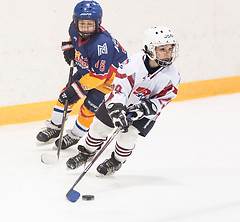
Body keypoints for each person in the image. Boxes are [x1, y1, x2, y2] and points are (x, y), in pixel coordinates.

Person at [66, 26, 181, 176]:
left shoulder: (172, 76)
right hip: (120, 102)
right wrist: (117, 109)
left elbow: (165, 98)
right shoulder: (132, 64)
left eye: (170, 49)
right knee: (98, 128)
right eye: (162, 49)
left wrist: (145, 108)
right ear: (149, 49)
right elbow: (120, 88)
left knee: (128, 137)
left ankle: (116, 161)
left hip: (146, 112)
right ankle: (86, 153)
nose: (168, 54)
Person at [36, 0, 127, 149]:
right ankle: (55, 127)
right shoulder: (73, 28)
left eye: (90, 24)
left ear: (98, 23)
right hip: (89, 69)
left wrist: (77, 89)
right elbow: (73, 39)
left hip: (108, 79)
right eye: (82, 23)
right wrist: (69, 47)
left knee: (88, 108)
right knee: (65, 95)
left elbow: (99, 76)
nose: (85, 28)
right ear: (75, 21)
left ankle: (75, 135)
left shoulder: (102, 45)